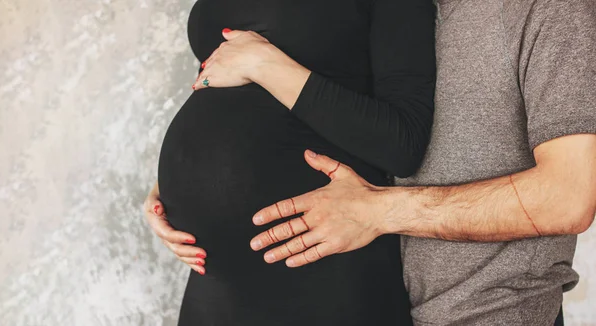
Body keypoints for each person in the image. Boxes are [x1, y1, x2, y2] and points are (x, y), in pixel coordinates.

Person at [145, 0, 596, 325]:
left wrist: (376, 210)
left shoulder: (554, 11)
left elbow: (569, 197)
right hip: (268, 281)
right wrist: (184, 182)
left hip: (484, 310)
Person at [151, 0, 437, 325]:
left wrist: (266, 65)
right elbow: (221, 79)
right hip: (216, 282)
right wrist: (168, 186)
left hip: (316, 262)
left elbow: (402, 144)